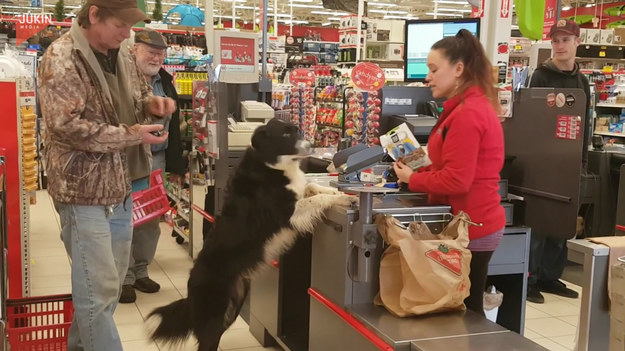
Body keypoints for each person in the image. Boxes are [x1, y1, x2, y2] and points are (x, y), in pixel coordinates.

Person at [37, 0, 176, 349]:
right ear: (95, 14)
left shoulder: (123, 53)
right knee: (96, 292)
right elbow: (66, 127)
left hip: (121, 186)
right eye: (121, 25)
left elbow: (139, 91)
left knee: (104, 288)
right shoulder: (62, 58)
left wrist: (151, 103)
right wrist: (132, 135)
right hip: (82, 191)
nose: (128, 34)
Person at [393, 29, 506, 315]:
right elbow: (452, 167)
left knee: (468, 310)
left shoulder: (468, 114)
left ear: (458, 69)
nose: (427, 77)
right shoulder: (464, 108)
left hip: (473, 226)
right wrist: (421, 166)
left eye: (433, 69)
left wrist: (412, 178)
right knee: (462, 306)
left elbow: (457, 180)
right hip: (471, 222)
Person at [120, 29, 186, 303]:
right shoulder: (121, 79)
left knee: (149, 220)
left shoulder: (165, 81)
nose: (157, 58)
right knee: (124, 220)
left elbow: (177, 127)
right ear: (134, 50)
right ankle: (124, 279)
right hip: (127, 161)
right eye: (151, 52)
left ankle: (141, 270)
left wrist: (177, 165)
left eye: (161, 54)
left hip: (156, 160)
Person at [525, 19, 588, 304]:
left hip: (569, 162)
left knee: (561, 223)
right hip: (542, 163)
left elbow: (584, 124)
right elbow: (533, 122)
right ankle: (531, 280)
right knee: (539, 224)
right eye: (555, 40)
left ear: (577, 41)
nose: (560, 45)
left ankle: (552, 277)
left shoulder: (582, 81)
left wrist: (582, 162)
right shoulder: (540, 76)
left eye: (565, 40)